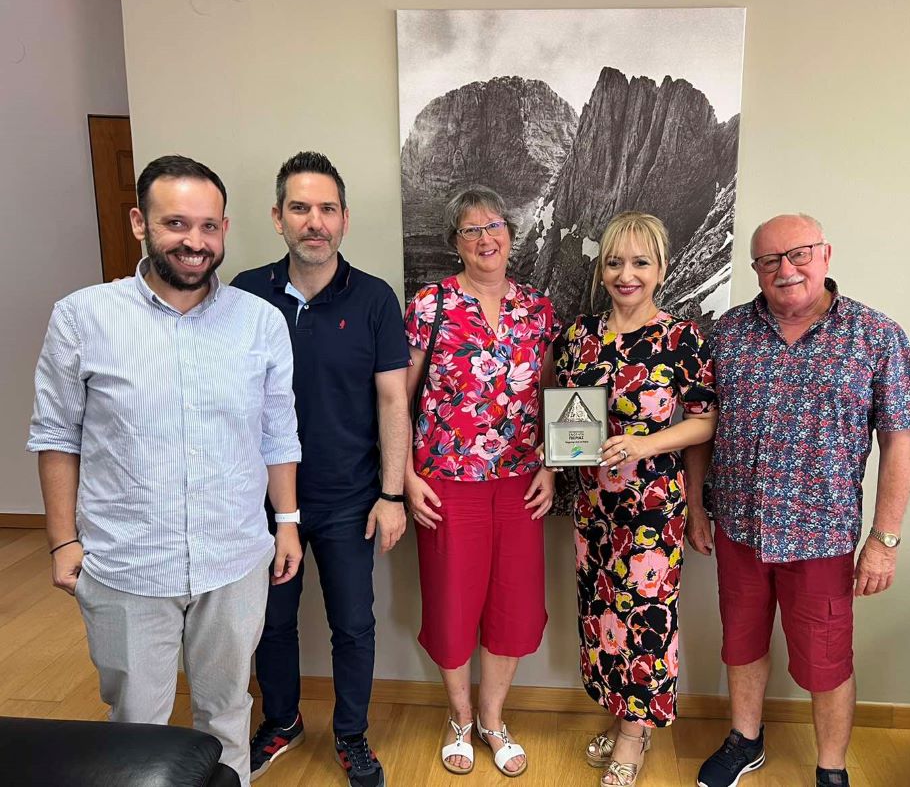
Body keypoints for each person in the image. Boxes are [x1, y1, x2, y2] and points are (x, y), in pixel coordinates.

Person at [27, 155, 303, 787]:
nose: (194, 241)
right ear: (140, 223)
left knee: (227, 711)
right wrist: (63, 541)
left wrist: (286, 521)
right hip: (127, 562)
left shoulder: (259, 322)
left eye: (208, 226)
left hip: (234, 558)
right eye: (175, 223)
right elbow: (56, 436)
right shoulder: (82, 318)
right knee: (135, 725)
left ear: (225, 229)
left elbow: (277, 432)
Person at [685, 214, 910, 787]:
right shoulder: (727, 334)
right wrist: (695, 507)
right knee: (741, 644)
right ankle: (745, 741)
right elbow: (702, 427)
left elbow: (898, 443)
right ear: (756, 269)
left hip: (822, 537)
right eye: (769, 260)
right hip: (740, 528)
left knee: (826, 659)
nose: (785, 269)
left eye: (798, 254)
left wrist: (884, 541)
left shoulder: (876, 335)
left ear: (825, 254)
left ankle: (831, 767)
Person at [232, 152, 410, 787]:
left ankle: (351, 735)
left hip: (349, 499)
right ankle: (281, 721)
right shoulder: (244, 295)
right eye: (300, 208)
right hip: (262, 500)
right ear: (277, 217)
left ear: (345, 220)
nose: (315, 222)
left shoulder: (374, 298)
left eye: (327, 209)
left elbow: (393, 401)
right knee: (271, 623)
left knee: (353, 625)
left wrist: (392, 494)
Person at [553, 211, 718, 787]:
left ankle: (633, 735)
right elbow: (566, 414)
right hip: (594, 506)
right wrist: (560, 445)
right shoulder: (579, 337)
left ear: (661, 269)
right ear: (601, 270)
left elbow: (704, 420)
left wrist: (645, 443)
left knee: (645, 616)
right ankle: (623, 717)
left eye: (640, 263)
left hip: (652, 507)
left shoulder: (682, 338)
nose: (627, 275)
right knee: (602, 616)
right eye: (615, 263)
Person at [403, 186, 557, 778]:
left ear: (511, 235)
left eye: (494, 225)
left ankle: (493, 719)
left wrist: (552, 466)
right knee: (452, 604)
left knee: (513, 606)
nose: (485, 238)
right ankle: (460, 719)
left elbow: (553, 396)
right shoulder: (430, 304)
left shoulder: (537, 309)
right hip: (446, 480)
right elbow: (397, 398)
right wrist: (405, 476)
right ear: (456, 243)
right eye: (471, 230)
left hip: (520, 483)